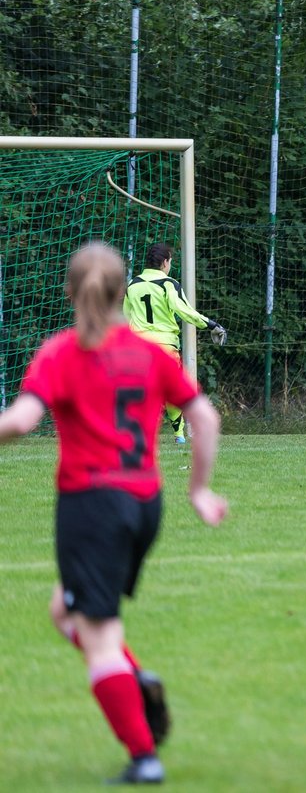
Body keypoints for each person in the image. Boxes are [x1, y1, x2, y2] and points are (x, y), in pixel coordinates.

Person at [0, 242, 228, 785]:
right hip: (145, 504)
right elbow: (207, 418)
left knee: (97, 634)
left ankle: (144, 754)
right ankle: (132, 677)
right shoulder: (150, 355)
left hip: (92, 506)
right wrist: (199, 489)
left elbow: (21, 422)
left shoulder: (60, 352)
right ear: (123, 292)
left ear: (70, 292)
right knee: (66, 609)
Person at [123, 242, 227, 444]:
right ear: (164, 262)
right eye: (170, 261)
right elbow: (185, 311)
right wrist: (212, 325)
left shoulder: (132, 285)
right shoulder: (169, 284)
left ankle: (135, 433)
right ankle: (179, 435)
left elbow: (125, 319)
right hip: (165, 348)